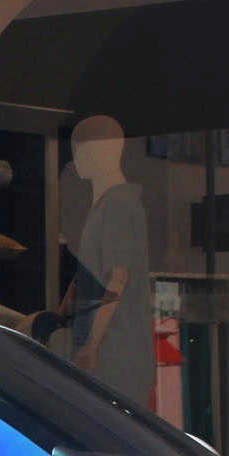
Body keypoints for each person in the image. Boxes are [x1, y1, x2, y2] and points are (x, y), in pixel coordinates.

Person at [65, 116, 153, 406]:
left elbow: (119, 277)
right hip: (103, 350)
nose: (77, 158)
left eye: (82, 149)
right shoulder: (104, 204)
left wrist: (91, 345)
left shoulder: (119, 204)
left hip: (116, 353)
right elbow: (89, 274)